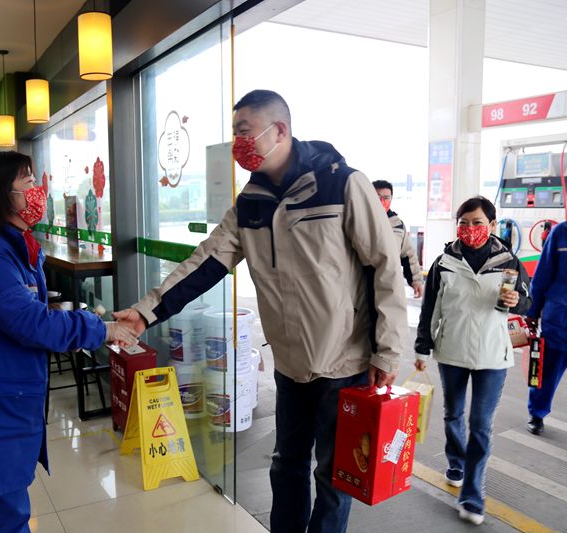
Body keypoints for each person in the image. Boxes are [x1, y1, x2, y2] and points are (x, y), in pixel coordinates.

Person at [114, 89, 407, 533]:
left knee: (334, 477)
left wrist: (388, 350)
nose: (239, 143)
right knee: (286, 465)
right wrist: (145, 312)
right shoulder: (251, 202)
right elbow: (207, 260)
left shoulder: (343, 184)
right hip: (289, 365)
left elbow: (385, 267)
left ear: (280, 130)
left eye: (244, 131)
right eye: (235, 133)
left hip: (344, 361)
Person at [0, 151, 136, 533]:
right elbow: (31, 322)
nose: (37, 191)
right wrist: (102, 329)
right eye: (27, 183)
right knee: (4, 517)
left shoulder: (11, 244)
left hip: (0, 397)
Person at [414, 196, 531, 526]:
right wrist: (422, 348)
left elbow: (527, 302)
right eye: (463, 223)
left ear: (492, 225)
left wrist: (516, 300)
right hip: (451, 351)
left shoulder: (508, 261)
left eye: (477, 222)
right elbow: (430, 309)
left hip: (493, 355)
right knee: (453, 414)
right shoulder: (444, 262)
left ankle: (472, 494)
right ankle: (456, 462)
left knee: (480, 425)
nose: (470, 228)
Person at [524, 220, 567, 436]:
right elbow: (542, 276)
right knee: (548, 371)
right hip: (559, 319)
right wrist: (532, 312)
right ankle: (537, 413)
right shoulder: (561, 233)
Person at [372, 179, 424, 298]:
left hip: (388, 283)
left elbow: (408, 255)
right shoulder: (358, 220)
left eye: (386, 198)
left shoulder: (397, 225)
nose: (382, 201)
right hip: (361, 282)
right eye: (377, 197)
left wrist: (416, 280)